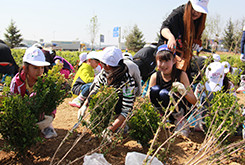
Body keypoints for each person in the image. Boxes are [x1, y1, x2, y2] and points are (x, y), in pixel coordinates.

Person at [78, 46, 136, 134]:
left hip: (119, 113)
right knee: (99, 94)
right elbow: (95, 90)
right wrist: (85, 105)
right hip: (105, 111)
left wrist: (110, 129)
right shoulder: (104, 73)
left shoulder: (127, 82)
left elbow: (126, 110)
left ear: (108, 65)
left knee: (120, 131)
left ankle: (120, 124)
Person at [147, 44, 197, 137]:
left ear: (174, 61)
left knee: (164, 93)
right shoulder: (155, 76)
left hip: (179, 110)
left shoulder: (181, 75)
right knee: (154, 90)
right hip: (164, 110)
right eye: (160, 61)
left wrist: (183, 91)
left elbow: (194, 101)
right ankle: (159, 118)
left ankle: (180, 122)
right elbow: (148, 99)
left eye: (167, 60)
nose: (163, 65)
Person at [10, 46, 57, 139]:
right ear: (25, 68)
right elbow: (14, 102)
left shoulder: (45, 82)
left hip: (40, 113)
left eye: (42, 68)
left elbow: (51, 102)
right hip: (23, 114)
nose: (39, 72)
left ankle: (46, 126)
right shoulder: (17, 82)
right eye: (35, 68)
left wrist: (51, 115)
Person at [158, 0, 209, 82]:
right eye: (194, 9)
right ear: (189, 5)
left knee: (184, 80)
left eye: (199, 11)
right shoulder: (178, 14)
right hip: (168, 52)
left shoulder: (198, 22)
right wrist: (171, 37)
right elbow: (164, 28)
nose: (196, 13)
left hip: (183, 57)